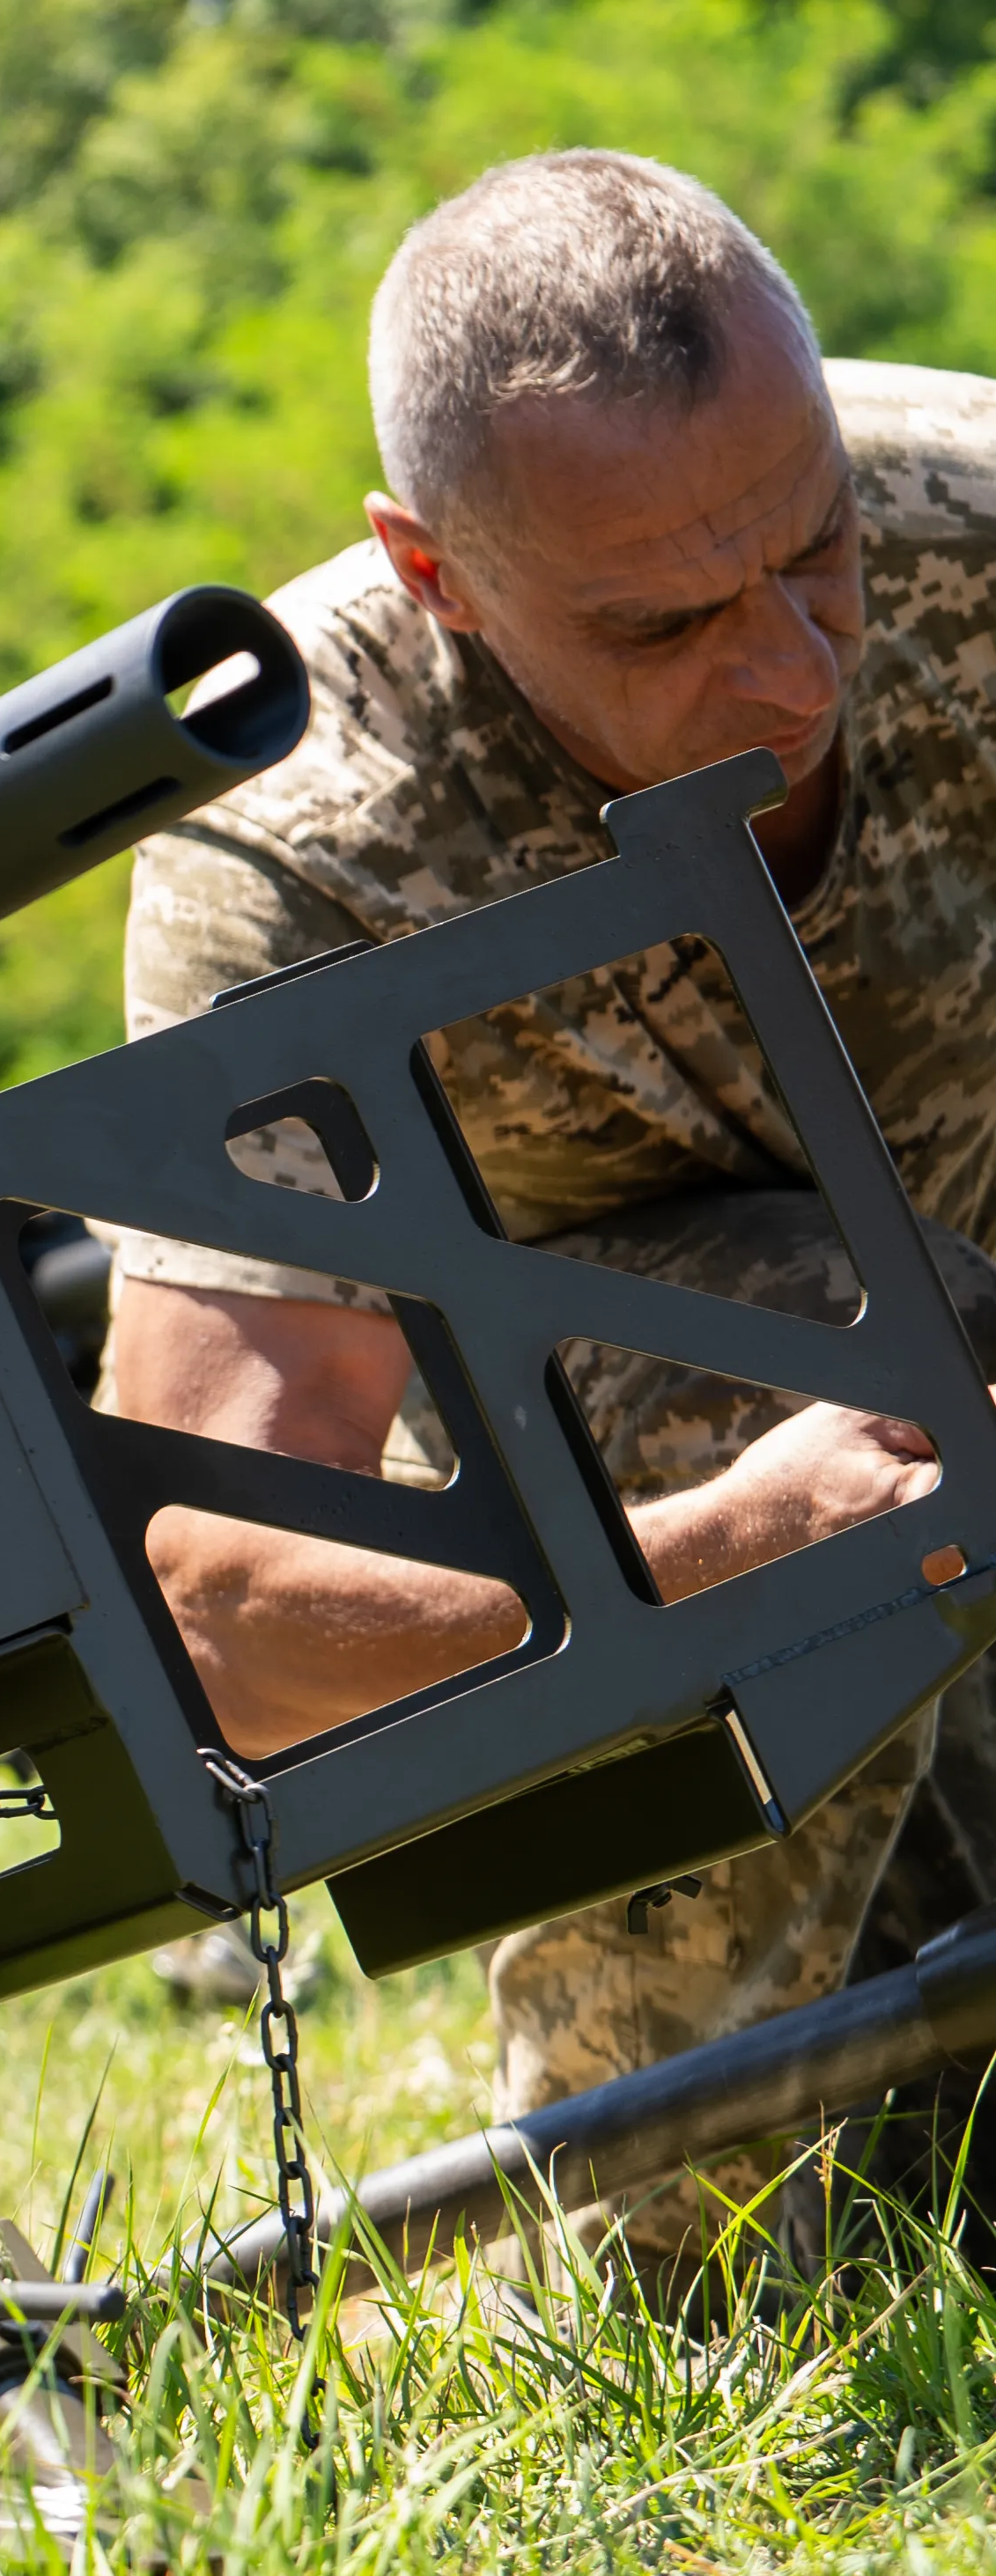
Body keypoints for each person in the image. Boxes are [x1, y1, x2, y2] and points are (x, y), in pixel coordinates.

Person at [100, 145, 996, 2286]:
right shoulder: (297, 850)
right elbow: (221, 1598)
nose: (789, 667)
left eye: (817, 551)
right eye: (665, 624)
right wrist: (716, 1556)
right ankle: (664, 2288)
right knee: (814, 1329)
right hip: (682, 1498)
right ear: (441, 571)